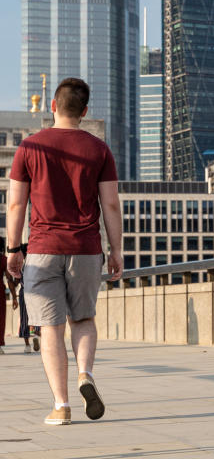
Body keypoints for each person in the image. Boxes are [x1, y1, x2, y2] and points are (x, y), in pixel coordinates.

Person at [6, 77, 123, 426]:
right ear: (85, 112)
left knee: (51, 328)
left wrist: (13, 249)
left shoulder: (30, 147)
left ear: (53, 106)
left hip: (42, 249)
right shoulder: (99, 150)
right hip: (87, 249)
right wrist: (115, 250)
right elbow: (111, 206)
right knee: (83, 319)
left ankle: (61, 405)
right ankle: (85, 373)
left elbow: (15, 205)